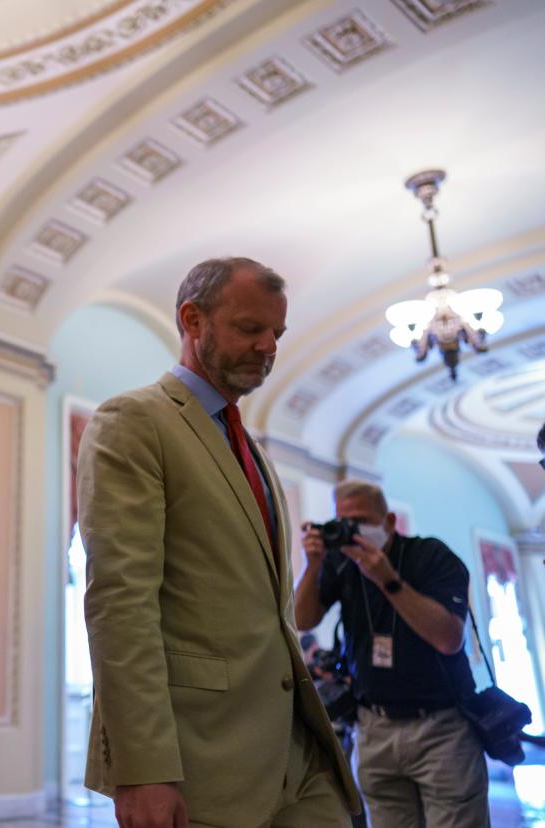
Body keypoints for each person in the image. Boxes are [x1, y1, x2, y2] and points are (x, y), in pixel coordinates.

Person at [78, 257, 360, 828]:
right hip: (203, 755)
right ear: (193, 319)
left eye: (276, 334)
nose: (268, 347)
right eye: (250, 329)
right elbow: (120, 603)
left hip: (297, 748)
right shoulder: (133, 421)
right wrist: (142, 767)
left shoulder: (248, 445)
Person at [295, 480, 489, 827]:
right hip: (374, 727)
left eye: (361, 522)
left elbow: (448, 639)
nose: (352, 532)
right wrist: (313, 565)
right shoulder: (342, 564)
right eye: (344, 522)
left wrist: (387, 579)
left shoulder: (430, 555)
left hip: (441, 727)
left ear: (389, 522)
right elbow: (302, 619)